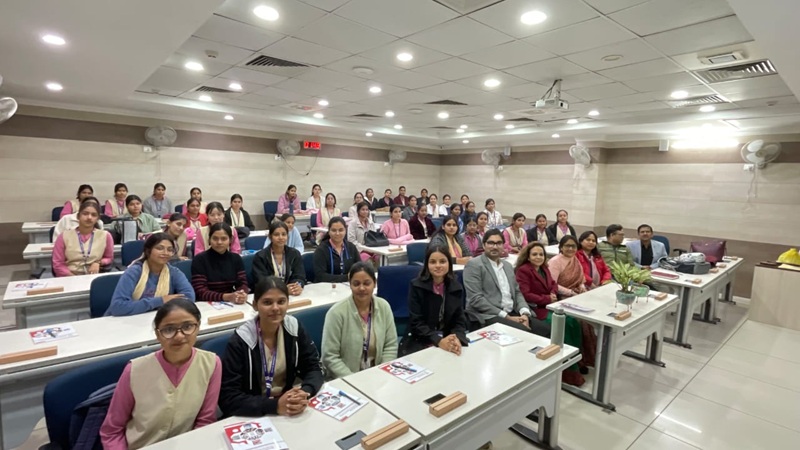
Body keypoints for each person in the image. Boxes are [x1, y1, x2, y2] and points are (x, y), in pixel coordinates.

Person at [100, 300, 221, 448]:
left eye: (188, 327)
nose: (179, 336)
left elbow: (205, 421)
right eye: (169, 329)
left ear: (198, 327)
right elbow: (112, 431)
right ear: (158, 334)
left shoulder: (211, 363)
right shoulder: (135, 370)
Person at [219, 277, 323, 417]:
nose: (275, 308)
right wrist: (275, 406)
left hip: (288, 405)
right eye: (267, 302)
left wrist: (304, 392)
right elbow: (228, 398)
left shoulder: (294, 328)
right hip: (254, 411)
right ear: (255, 305)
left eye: (281, 302)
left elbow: (313, 368)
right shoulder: (240, 341)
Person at [514, 242, 585, 386]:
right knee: (561, 325)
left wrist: (552, 293)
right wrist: (546, 298)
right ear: (528, 256)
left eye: (541, 254)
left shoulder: (544, 268)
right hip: (536, 308)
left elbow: (553, 284)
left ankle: (576, 360)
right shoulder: (523, 270)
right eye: (534, 254)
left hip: (551, 305)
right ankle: (566, 370)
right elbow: (524, 294)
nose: (538, 257)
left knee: (573, 321)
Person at [463, 229, 550, 337]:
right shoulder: (474, 265)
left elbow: (517, 292)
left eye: (499, 243)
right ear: (484, 245)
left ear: (503, 246)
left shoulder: (508, 266)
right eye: (491, 243)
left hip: (512, 311)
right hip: (489, 314)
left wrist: (524, 313)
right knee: (524, 333)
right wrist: (507, 317)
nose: (495, 247)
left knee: (547, 330)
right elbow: (476, 299)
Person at [321, 263, 397, 379]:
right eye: (356, 284)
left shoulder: (384, 307)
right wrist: (353, 380)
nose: (361, 288)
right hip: (344, 378)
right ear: (350, 284)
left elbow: (390, 345)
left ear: (375, 283)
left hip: (377, 375)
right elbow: (330, 356)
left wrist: (382, 374)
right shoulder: (336, 313)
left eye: (367, 283)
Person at [400, 246, 468, 356]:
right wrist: (438, 340)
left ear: (449, 264)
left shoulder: (456, 287)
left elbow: (459, 320)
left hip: (447, 338)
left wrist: (457, 338)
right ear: (427, 264)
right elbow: (416, 322)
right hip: (421, 339)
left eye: (442, 261)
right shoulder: (417, 286)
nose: (438, 265)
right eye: (432, 262)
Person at [106, 233, 195, 316]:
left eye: (170, 250)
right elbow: (118, 306)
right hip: (122, 320)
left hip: (155, 317)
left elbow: (189, 298)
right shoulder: (134, 272)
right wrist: (161, 301)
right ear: (148, 250)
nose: (165, 253)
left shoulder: (174, 272)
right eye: (159, 248)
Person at [191, 223, 249, 303]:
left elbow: (242, 283)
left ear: (230, 240)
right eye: (215, 238)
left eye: (224, 239)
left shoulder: (236, 258)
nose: (219, 242)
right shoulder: (200, 260)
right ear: (209, 239)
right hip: (206, 303)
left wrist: (241, 293)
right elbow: (200, 291)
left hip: (231, 302)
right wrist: (227, 297)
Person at [53, 201, 114, 277]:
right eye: (85, 214)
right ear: (78, 216)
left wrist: (98, 263)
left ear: (98, 218)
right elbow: (58, 264)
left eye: (94, 215)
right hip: (69, 277)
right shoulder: (63, 236)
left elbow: (109, 258)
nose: (89, 217)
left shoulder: (105, 235)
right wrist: (73, 277)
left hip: (93, 276)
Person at [253, 221, 305, 296]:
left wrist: (297, 286)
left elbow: (299, 276)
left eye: (284, 234)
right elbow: (261, 281)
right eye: (276, 234)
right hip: (269, 294)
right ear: (270, 237)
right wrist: (283, 289)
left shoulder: (294, 254)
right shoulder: (260, 256)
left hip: (291, 293)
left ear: (287, 236)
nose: (281, 237)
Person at [313, 217, 360, 283]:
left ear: (345, 231)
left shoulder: (351, 247)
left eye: (341, 230)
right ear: (329, 231)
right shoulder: (321, 250)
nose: (337, 233)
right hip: (326, 286)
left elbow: (359, 268)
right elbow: (321, 276)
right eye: (334, 230)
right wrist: (347, 277)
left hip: (348, 285)